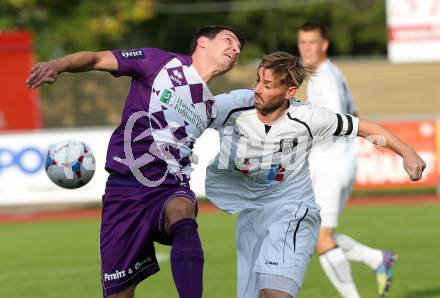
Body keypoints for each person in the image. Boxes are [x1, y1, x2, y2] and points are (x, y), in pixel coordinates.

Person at [26, 25, 244, 298]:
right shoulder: (158, 62)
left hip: (168, 188)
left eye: (239, 48)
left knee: (181, 209)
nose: (235, 49)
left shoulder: (211, 106)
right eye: (229, 40)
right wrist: (58, 64)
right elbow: (95, 59)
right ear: (202, 42)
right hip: (124, 192)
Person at [205, 51, 425, 298]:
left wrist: (407, 151)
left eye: (267, 85)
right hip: (251, 217)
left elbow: (363, 127)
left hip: (292, 209)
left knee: (274, 294)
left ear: (289, 92)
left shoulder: (309, 118)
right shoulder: (234, 105)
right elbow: (190, 117)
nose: (257, 89)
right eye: (257, 80)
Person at [298, 20, 397, 297]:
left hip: (330, 164)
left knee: (320, 238)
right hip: (339, 162)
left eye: (312, 42)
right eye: (302, 42)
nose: (305, 48)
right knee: (311, 234)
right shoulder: (331, 73)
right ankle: (377, 259)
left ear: (324, 45)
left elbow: (333, 124)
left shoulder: (325, 79)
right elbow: (353, 113)